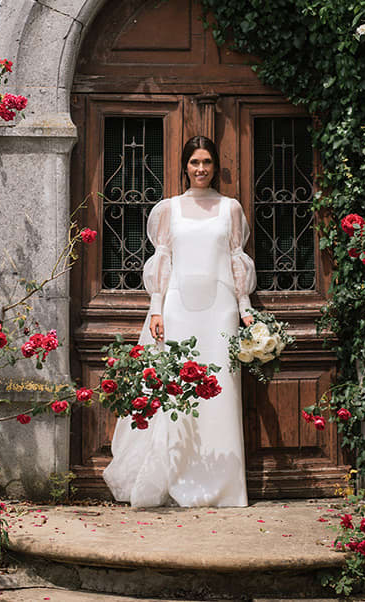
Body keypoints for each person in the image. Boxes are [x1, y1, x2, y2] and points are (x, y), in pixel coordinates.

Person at [103, 135, 257, 507]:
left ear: (215, 165)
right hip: (178, 309)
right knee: (175, 389)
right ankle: (173, 475)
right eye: (194, 162)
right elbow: (164, 259)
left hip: (220, 310)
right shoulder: (168, 209)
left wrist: (245, 308)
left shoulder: (230, 208)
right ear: (184, 166)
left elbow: (236, 258)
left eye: (206, 162)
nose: (200, 169)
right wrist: (156, 307)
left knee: (222, 389)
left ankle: (223, 486)